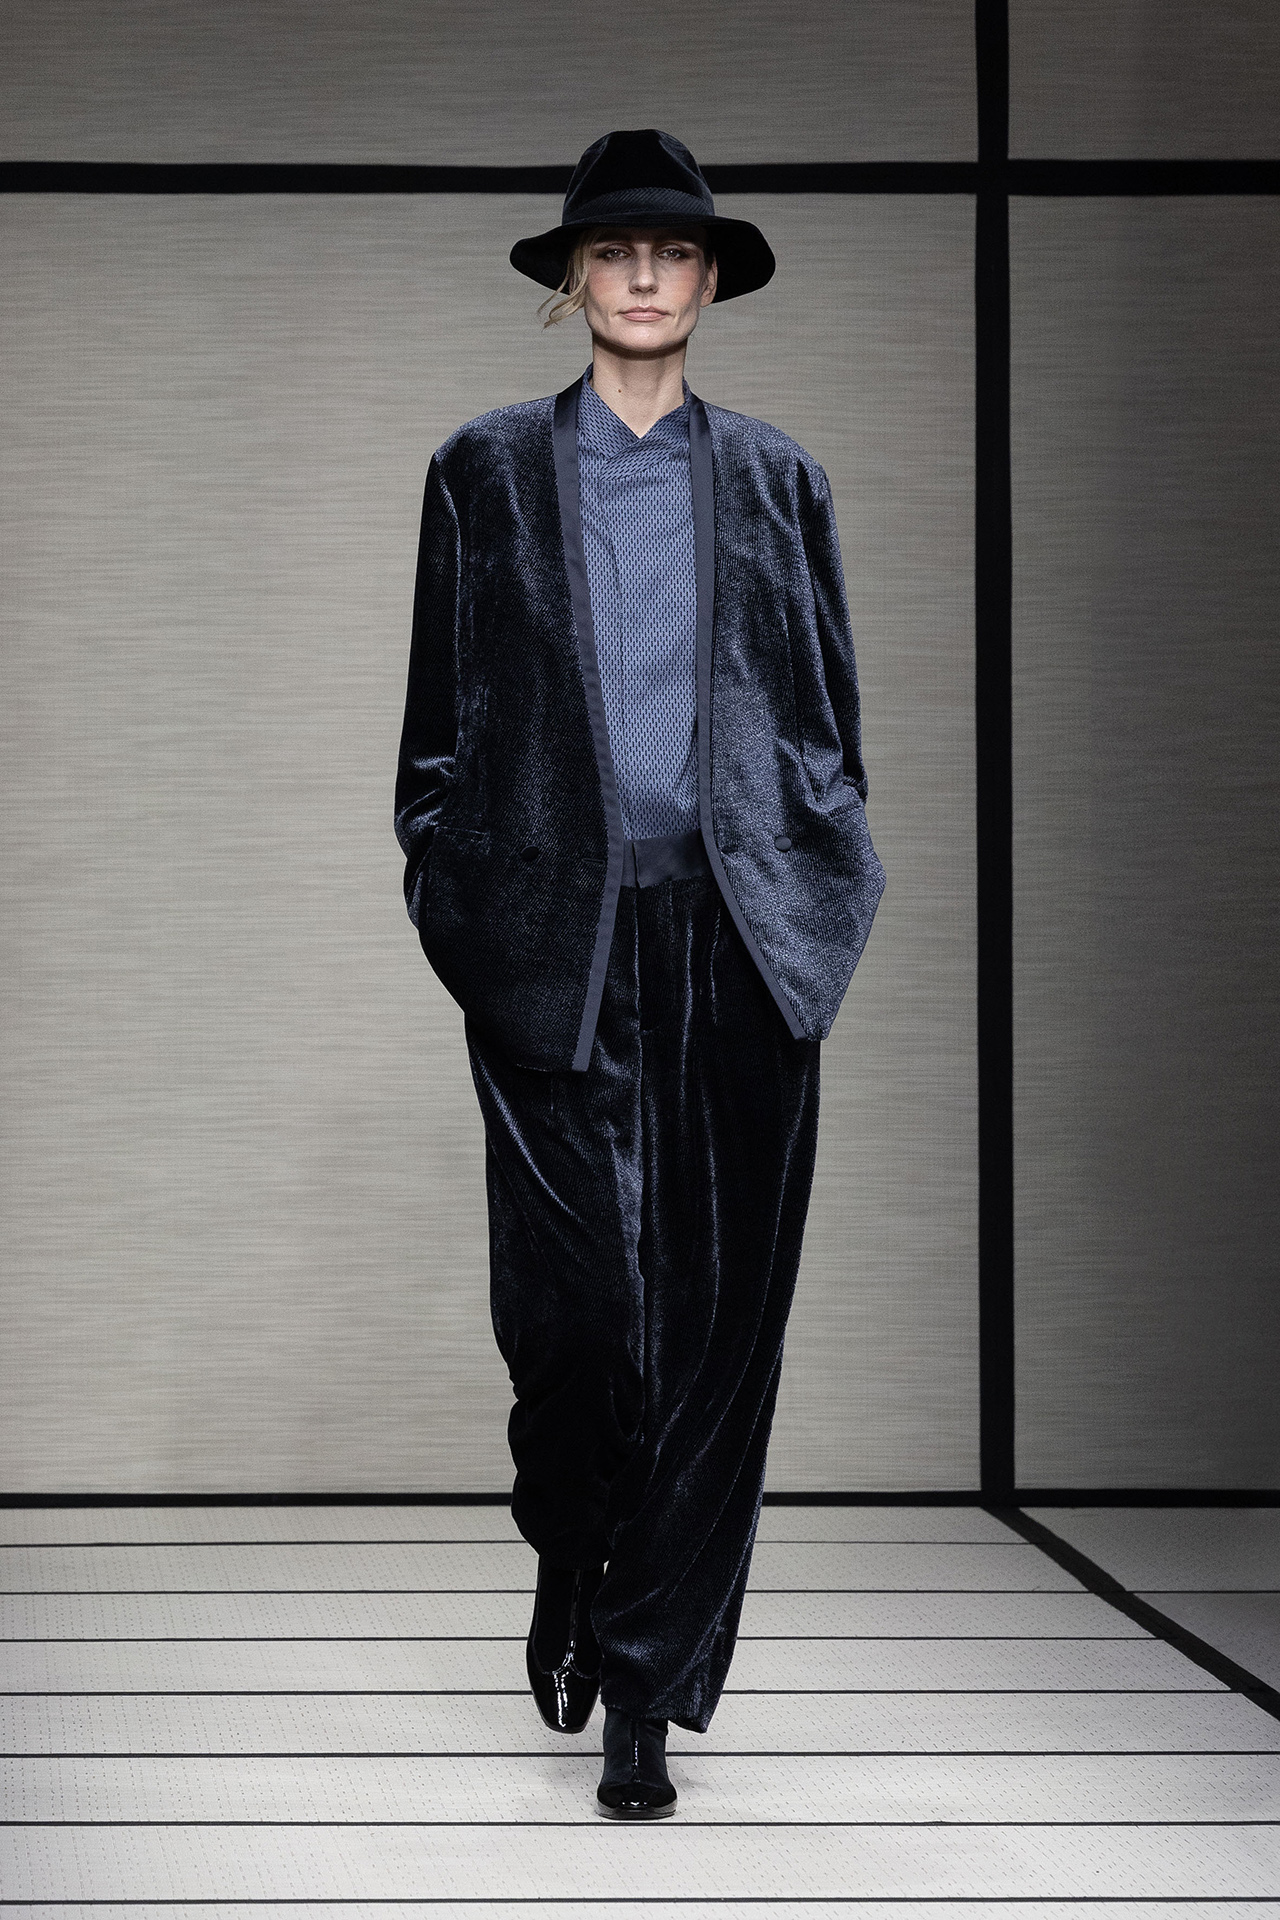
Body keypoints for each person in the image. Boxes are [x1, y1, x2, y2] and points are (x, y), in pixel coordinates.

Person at [394, 128, 885, 1819]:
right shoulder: (481, 473)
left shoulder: (779, 479)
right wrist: (465, 899)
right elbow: (436, 735)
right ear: (573, 282)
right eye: (616, 251)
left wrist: (821, 891)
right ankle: (574, 1549)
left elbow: (827, 725)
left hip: (742, 948)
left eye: (674, 251)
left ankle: (643, 1690)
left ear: (711, 277)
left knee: (717, 1335)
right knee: (584, 1324)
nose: (647, 276)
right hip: (557, 945)